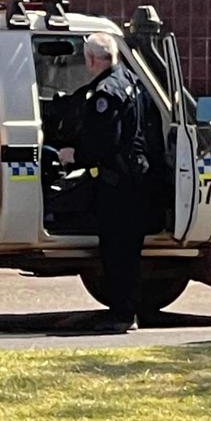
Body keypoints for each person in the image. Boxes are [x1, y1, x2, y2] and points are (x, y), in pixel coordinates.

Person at [58, 33, 155, 334]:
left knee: (117, 251)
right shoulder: (129, 79)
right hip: (133, 178)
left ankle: (122, 315)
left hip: (117, 183)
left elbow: (104, 143)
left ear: (90, 60)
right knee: (127, 251)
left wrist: (74, 155)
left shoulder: (105, 93)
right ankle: (126, 310)